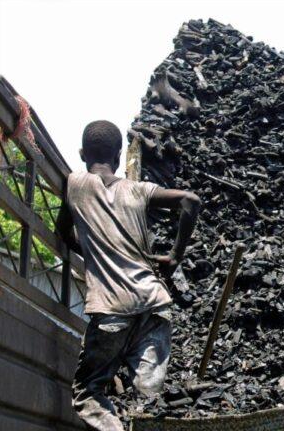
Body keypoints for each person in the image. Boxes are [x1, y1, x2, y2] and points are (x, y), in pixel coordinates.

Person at [57, 120, 201, 430]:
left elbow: (63, 232)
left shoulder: (74, 184)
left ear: (82, 154)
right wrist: (175, 257)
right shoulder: (138, 189)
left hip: (112, 311)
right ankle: (151, 395)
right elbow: (191, 200)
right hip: (155, 304)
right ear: (120, 156)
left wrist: (94, 252)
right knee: (149, 392)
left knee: (88, 392)